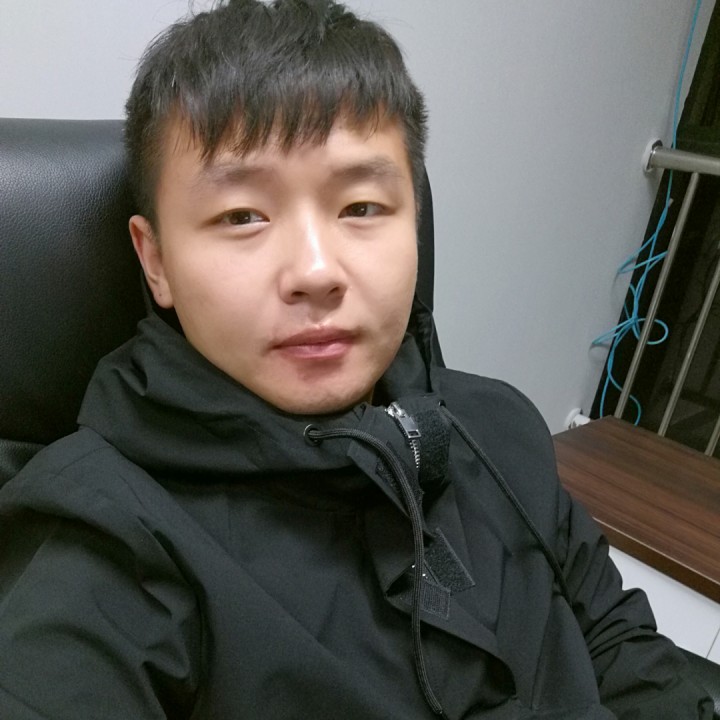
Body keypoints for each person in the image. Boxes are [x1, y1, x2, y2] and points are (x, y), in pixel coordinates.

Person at [0, 1, 713, 718]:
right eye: (242, 216)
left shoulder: (498, 425)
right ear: (155, 261)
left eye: (362, 208)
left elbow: (620, 645)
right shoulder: (104, 541)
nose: (316, 271)